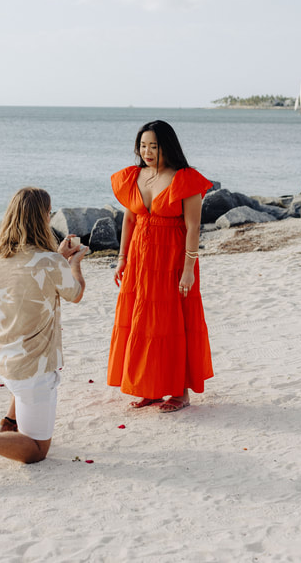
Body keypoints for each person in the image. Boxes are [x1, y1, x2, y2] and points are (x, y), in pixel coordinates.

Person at [0, 186, 86, 486]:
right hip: (31, 366)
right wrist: (72, 264)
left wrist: (57, 258)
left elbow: (28, 276)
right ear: (41, 218)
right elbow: (74, 293)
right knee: (37, 449)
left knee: (22, 374)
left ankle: (9, 422)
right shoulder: (49, 262)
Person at [107, 120, 213, 413]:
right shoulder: (133, 177)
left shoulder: (185, 178)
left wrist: (189, 269)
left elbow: (193, 228)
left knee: (170, 322)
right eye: (143, 146)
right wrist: (122, 258)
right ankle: (149, 387)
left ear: (167, 146)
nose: (148, 151)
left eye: (154, 146)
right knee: (142, 321)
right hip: (141, 259)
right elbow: (129, 220)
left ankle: (180, 393)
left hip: (172, 260)